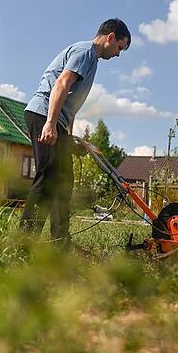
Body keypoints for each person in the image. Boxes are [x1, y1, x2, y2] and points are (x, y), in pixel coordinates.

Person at [21, 18, 131, 244]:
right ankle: (25, 241)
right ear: (111, 37)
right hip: (43, 114)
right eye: (120, 47)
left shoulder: (92, 60)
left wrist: (68, 137)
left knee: (64, 180)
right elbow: (61, 84)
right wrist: (50, 123)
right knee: (48, 176)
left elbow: (71, 103)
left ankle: (60, 241)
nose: (119, 54)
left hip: (56, 119)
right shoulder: (85, 52)